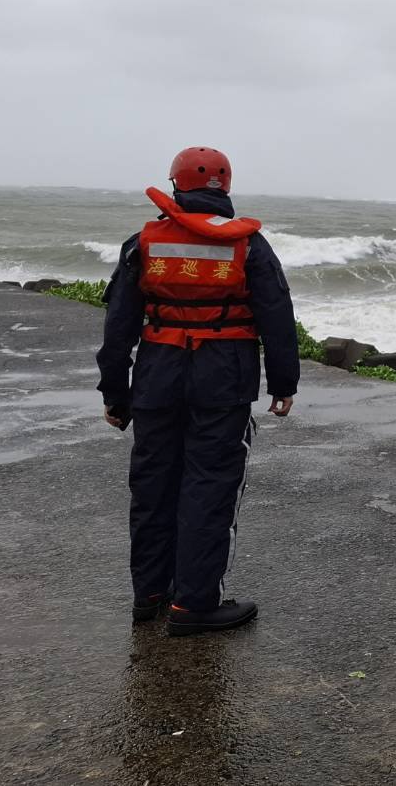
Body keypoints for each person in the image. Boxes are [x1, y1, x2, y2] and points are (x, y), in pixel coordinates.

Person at [97, 146, 299, 636]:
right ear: (224, 190)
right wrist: (284, 383)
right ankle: (194, 605)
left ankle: (149, 596)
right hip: (223, 379)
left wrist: (115, 394)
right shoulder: (250, 246)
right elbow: (277, 315)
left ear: (174, 187)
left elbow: (119, 324)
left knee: (153, 488)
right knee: (209, 488)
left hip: (158, 377)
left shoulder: (141, 243)